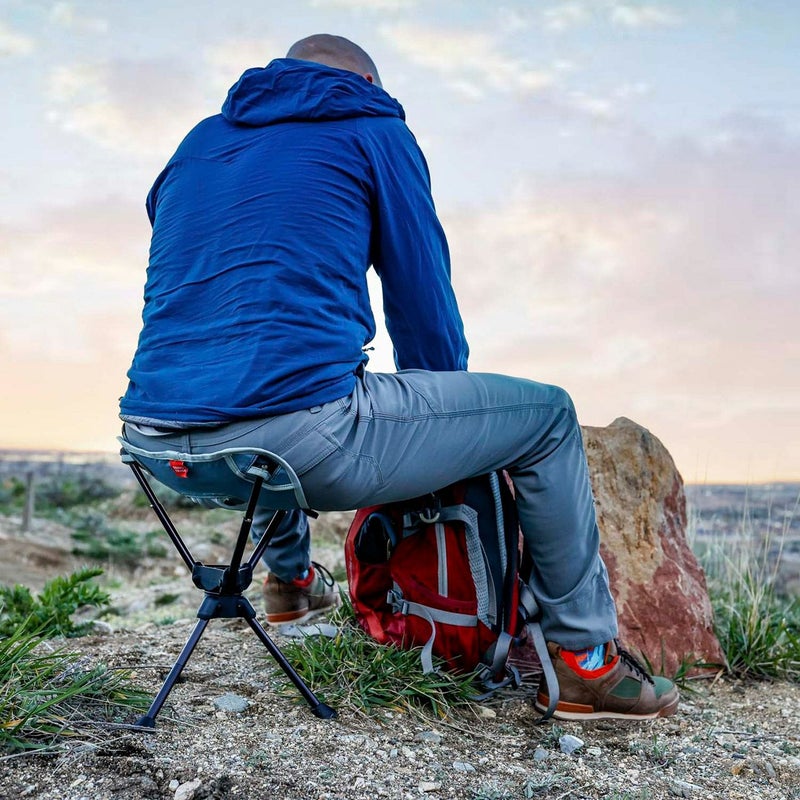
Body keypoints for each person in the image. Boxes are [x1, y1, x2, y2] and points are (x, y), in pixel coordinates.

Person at [119, 34, 678, 720]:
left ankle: (291, 582)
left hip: (153, 442)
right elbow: (422, 300)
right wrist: (455, 440)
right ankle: (587, 662)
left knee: (267, 383)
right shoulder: (373, 128)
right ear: (367, 83)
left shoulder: (197, 143)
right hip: (299, 440)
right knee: (549, 416)